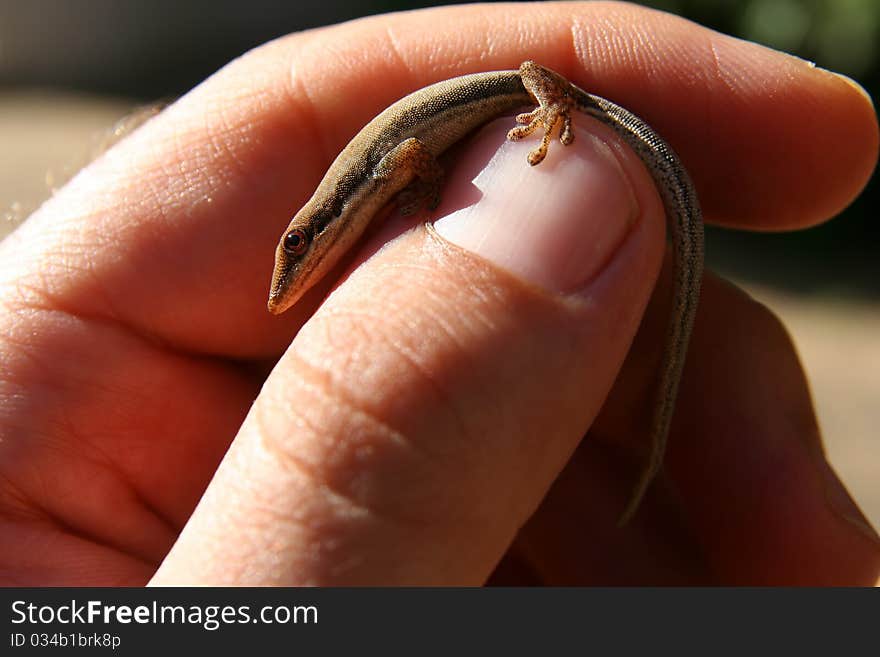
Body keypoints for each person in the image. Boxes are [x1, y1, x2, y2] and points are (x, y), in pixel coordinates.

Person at [0, 2, 877, 586]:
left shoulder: (368, 179)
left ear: (315, 225)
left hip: (528, 91)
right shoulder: (349, 188)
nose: (291, 273)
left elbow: (415, 160)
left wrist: (459, 207)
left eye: (296, 250)